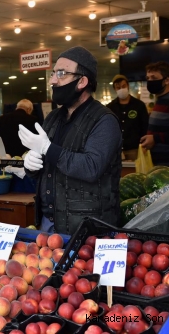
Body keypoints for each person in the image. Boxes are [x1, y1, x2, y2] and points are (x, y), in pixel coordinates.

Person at [19, 46, 122, 234]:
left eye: (61, 74)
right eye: (52, 74)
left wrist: (47, 149)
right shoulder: (53, 118)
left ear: (82, 81)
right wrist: (30, 164)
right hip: (48, 224)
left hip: (87, 228)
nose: (52, 80)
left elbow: (91, 167)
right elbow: (47, 163)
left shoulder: (104, 121)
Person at [106, 74, 149, 161]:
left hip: (135, 149)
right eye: (118, 87)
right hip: (116, 151)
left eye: (123, 86)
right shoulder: (110, 107)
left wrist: (145, 146)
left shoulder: (139, 105)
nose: (121, 89)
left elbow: (145, 127)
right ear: (115, 89)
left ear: (128, 86)